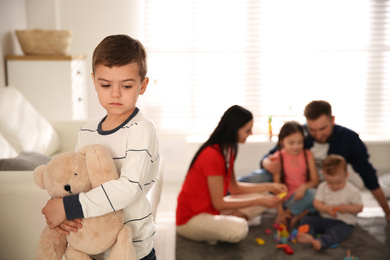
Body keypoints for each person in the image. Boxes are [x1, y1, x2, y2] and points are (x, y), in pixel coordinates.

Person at [41, 35, 160, 260]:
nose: (115, 93)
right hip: (91, 245)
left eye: (126, 85)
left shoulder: (142, 129)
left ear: (142, 85)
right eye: (106, 85)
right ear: (94, 81)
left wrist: (69, 207)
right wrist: (62, 206)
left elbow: (129, 187)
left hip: (131, 248)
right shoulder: (86, 131)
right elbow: (77, 181)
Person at [239, 100, 390, 222]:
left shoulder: (349, 139)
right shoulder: (301, 134)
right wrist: (267, 162)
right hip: (289, 182)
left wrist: (386, 211)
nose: (317, 134)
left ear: (333, 120)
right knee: (261, 175)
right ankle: (222, 195)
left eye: (322, 128)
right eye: (312, 129)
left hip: (320, 187)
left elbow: (368, 174)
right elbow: (272, 154)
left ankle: (294, 212)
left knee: (330, 201)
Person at [176, 105, 287, 244]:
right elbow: (219, 204)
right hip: (191, 219)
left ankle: (224, 225)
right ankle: (226, 225)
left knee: (266, 195)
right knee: (239, 229)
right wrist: (259, 201)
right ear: (234, 130)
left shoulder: (229, 150)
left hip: (212, 210)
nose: (251, 133)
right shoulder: (212, 155)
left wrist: (270, 186)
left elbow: (234, 188)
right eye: (247, 130)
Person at [297, 154, 363, 250]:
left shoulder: (352, 190)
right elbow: (316, 203)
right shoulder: (322, 186)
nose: (335, 186)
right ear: (324, 174)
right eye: (330, 183)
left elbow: (359, 208)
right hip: (324, 218)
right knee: (306, 220)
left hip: (343, 222)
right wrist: (326, 209)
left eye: (339, 183)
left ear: (346, 175)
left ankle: (321, 242)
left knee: (337, 233)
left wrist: (348, 208)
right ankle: (306, 235)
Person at [272, 121, 318, 227]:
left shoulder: (308, 155)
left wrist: (303, 187)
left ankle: (295, 214)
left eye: (300, 142)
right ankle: (295, 213)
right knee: (313, 197)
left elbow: (315, 181)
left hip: (305, 195)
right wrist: (280, 212)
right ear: (282, 141)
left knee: (320, 195)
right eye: (291, 143)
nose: (296, 147)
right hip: (288, 200)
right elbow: (276, 188)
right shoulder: (278, 157)